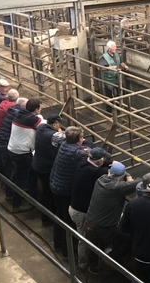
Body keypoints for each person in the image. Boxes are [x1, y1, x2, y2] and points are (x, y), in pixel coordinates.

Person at [84, 162, 138, 269]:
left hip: (89, 224)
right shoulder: (117, 187)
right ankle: (110, 261)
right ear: (122, 177)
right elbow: (139, 182)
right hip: (103, 230)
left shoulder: (101, 179)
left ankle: (94, 265)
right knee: (130, 238)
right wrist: (128, 177)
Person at [49, 126, 91, 256]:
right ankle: (68, 253)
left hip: (56, 186)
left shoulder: (64, 145)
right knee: (68, 222)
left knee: (59, 216)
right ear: (79, 139)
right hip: (66, 191)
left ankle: (57, 244)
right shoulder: (78, 152)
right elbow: (94, 152)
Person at [70, 147, 111, 269]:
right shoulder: (95, 172)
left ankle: (84, 259)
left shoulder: (83, 163)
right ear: (99, 161)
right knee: (84, 239)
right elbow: (106, 172)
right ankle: (82, 264)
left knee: (82, 236)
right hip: (81, 212)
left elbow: (103, 165)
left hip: (74, 207)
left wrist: (108, 163)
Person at [7, 98, 43, 212]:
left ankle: (10, 195)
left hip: (13, 149)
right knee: (22, 179)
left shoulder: (19, 114)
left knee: (17, 175)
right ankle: (17, 205)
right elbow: (43, 126)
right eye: (40, 108)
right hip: (22, 153)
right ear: (36, 109)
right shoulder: (32, 119)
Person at [31, 115, 65, 225]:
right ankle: (48, 218)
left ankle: (47, 217)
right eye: (59, 124)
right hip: (47, 168)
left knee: (46, 192)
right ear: (55, 124)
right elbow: (68, 137)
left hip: (38, 164)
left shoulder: (41, 128)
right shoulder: (54, 136)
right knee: (48, 194)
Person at [0, 96, 27, 203]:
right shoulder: (18, 115)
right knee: (11, 170)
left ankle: (6, 188)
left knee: (7, 168)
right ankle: (9, 195)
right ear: (23, 106)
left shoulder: (12, 110)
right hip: (5, 143)